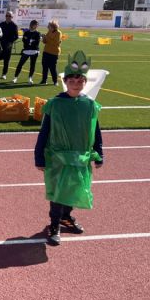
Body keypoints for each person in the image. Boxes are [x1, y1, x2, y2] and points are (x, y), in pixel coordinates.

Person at [34, 50, 103, 246]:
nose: (75, 83)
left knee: (74, 188)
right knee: (57, 191)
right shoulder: (54, 104)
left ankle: (66, 217)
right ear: (65, 82)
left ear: (84, 82)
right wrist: (39, 157)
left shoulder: (89, 105)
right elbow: (44, 132)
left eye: (79, 80)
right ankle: (54, 224)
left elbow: (95, 131)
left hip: (80, 156)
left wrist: (99, 154)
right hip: (58, 157)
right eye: (71, 80)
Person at [12, 20, 42, 84]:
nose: (36, 26)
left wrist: (29, 41)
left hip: (34, 51)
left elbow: (36, 43)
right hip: (26, 50)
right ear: (31, 24)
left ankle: (30, 78)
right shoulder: (26, 32)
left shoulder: (38, 33)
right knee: (20, 64)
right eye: (34, 24)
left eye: (36, 24)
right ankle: (15, 78)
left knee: (32, 65)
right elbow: (24, 41)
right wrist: (30, 41)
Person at [40, 20, 62, 85]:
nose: (47, 27)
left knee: (52, 67)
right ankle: (44, 80)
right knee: (45, 66)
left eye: (49, 25)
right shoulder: (49, 31)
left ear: (53, 26)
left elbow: (55, 43)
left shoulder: (58, 33)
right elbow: (45, 42)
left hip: (54, 53)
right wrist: (43, 38)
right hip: (46, 51)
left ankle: (55, 81)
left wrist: (46, 37)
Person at [0, 11, 19, 79]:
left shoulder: (14, 26)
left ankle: (4, 74)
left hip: (8, 46)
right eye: (7, 16)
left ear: (12, 17)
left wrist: (10, 42)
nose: (8, 17)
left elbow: (16, 36)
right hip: (0, 45)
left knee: (6, 61)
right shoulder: (1, 24)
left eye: (9, 16)